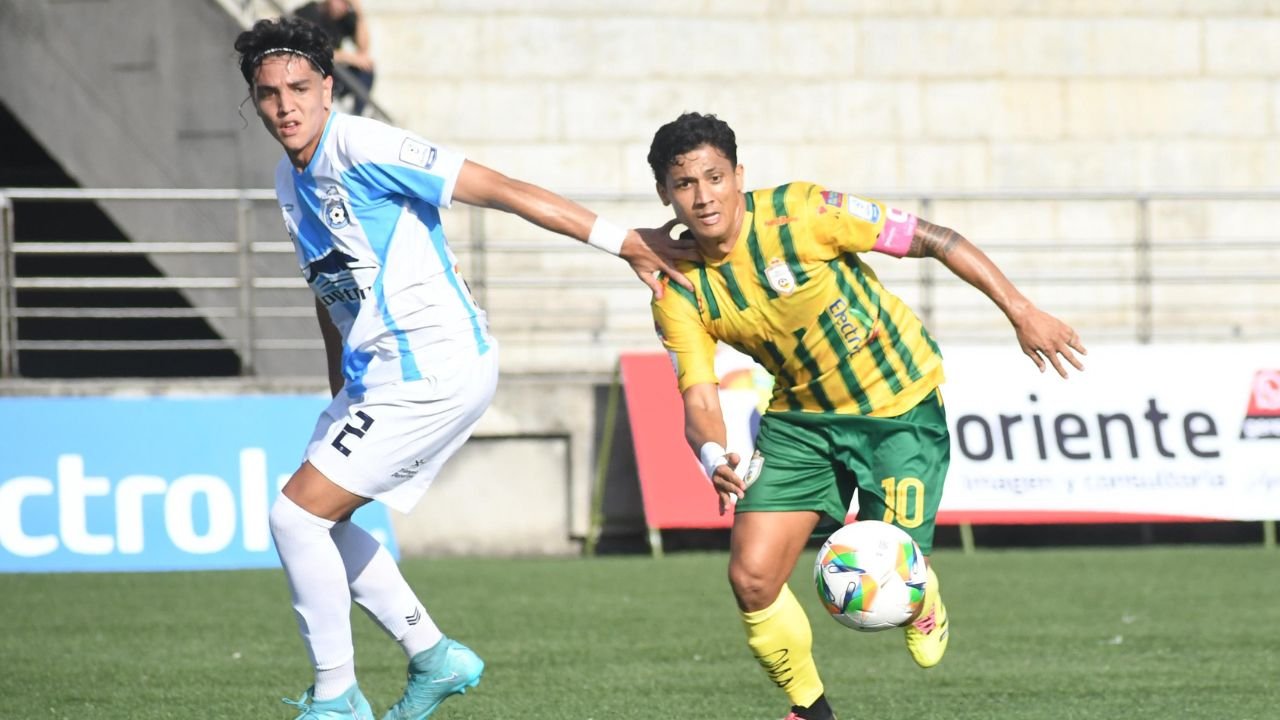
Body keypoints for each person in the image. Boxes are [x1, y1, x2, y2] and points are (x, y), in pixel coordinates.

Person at [232, 17, 691, 720]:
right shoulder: (287, 180)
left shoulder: (364, 145)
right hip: (378, 376)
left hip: (436, 365)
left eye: (299, 87)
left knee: (294, 518)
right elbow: (328, 288)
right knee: (320, 524)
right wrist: (342, 389)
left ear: (328, 86)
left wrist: (622, 240)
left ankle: (337, 699)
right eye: (269, 94)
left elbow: (499, 187)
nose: (285, 105)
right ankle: (434, 658)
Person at [644, 112, 1086, 720]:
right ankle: (811, 712)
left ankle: (922, 592)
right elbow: (698, 397)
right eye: (685, 184)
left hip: (897, 406)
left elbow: (937, 239)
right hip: (801, 421)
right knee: (751, 578)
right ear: (665, 194)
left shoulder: (802, 212)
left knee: (888, 572)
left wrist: (1021, 311)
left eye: (714, 178)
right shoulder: (677, 289)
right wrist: (713, 455)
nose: (703, 197)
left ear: (739, 175)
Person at [294, 0, 376, 115]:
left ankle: (358, 113)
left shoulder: (344, 18)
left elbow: (363, 48)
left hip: (333, 74)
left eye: (347, 4)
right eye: (340, 2)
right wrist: (348, 57)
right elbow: (312, 51)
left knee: (366, 69)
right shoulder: (309, 12)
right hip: (311, 72)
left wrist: (359, 13)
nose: (342, 7)